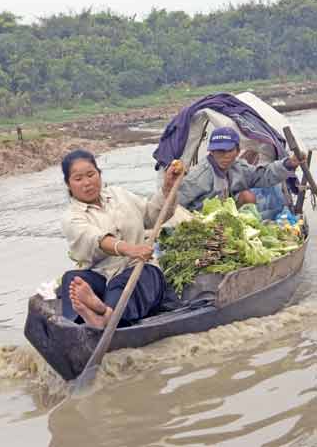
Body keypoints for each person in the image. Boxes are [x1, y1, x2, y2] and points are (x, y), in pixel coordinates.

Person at [60, 149, 183, 329]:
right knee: (73, 279)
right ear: (68, 184)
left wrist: (167, 188)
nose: (87, 183)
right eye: (78, 179)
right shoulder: (71, 217)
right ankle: (94, 314)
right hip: (101, 274)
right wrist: (130, 249)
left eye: (91, 175)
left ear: (99, 174)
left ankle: (105, 315)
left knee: (129, 281)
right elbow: (95, 239)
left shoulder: (120, 195)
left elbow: (151, 216)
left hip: (139, 268)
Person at [178, 126, 305, 213]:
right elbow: (176, 205)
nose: (225, 155)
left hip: (225, 216)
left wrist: (288, 164)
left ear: (237, 151)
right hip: (200, 222)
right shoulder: (198, 177)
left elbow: (263, 175)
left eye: (229, 150)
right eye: (219, 151)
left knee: (247, 196)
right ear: (211, 152)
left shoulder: (238, 168)